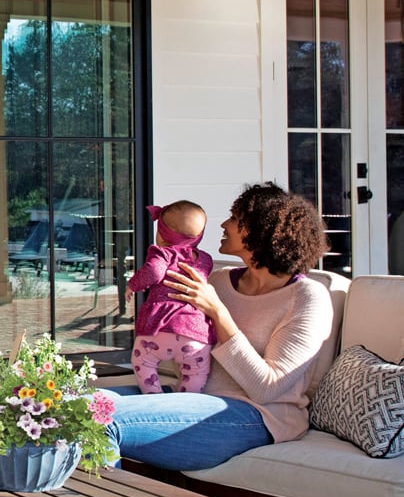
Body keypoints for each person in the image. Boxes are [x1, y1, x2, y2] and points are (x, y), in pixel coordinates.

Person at [104, 182, 333, 472]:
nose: (224, 224)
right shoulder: (218, 281)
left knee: (105, 419)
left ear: (261, 230)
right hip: (192, 399)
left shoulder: (307, 298)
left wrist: (217, 311)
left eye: (235, 219)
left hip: (258, 417)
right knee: (77, 407)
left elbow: (266, 389)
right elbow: (184, 354)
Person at [127, 201, 215, 393]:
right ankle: (188, 401)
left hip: (160, 328)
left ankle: (154, 397)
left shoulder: (163, 253)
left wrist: (132, 284)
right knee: (196, 373)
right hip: (196, 334)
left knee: (143, 361)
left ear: (162, 234)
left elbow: (154, 272)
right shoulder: (206, 260)